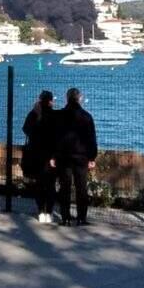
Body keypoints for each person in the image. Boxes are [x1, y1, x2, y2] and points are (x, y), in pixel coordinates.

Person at [54, 87, 97, 227]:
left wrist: (54, 155)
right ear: (80, 98)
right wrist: (92, 157)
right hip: (81, 157)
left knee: (64, 187)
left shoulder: (59, 116)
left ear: (67, 98)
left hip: (64, 157)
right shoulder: (86, 116)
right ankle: (81, 217)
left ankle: (65, 217)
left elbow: (55, 138)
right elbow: (91, 139)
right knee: (81, 188)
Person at [22, 90, 58, 223]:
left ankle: (41, 210)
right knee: (50, 184)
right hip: (50, 155)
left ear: (39, 99)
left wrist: (35, 114)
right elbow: (58, 135)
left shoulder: (34, 114)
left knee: (39, 184)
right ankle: (49, 211)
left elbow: (25, 129)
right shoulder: (54, 115)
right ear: (51, 101)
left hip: (36, 154)